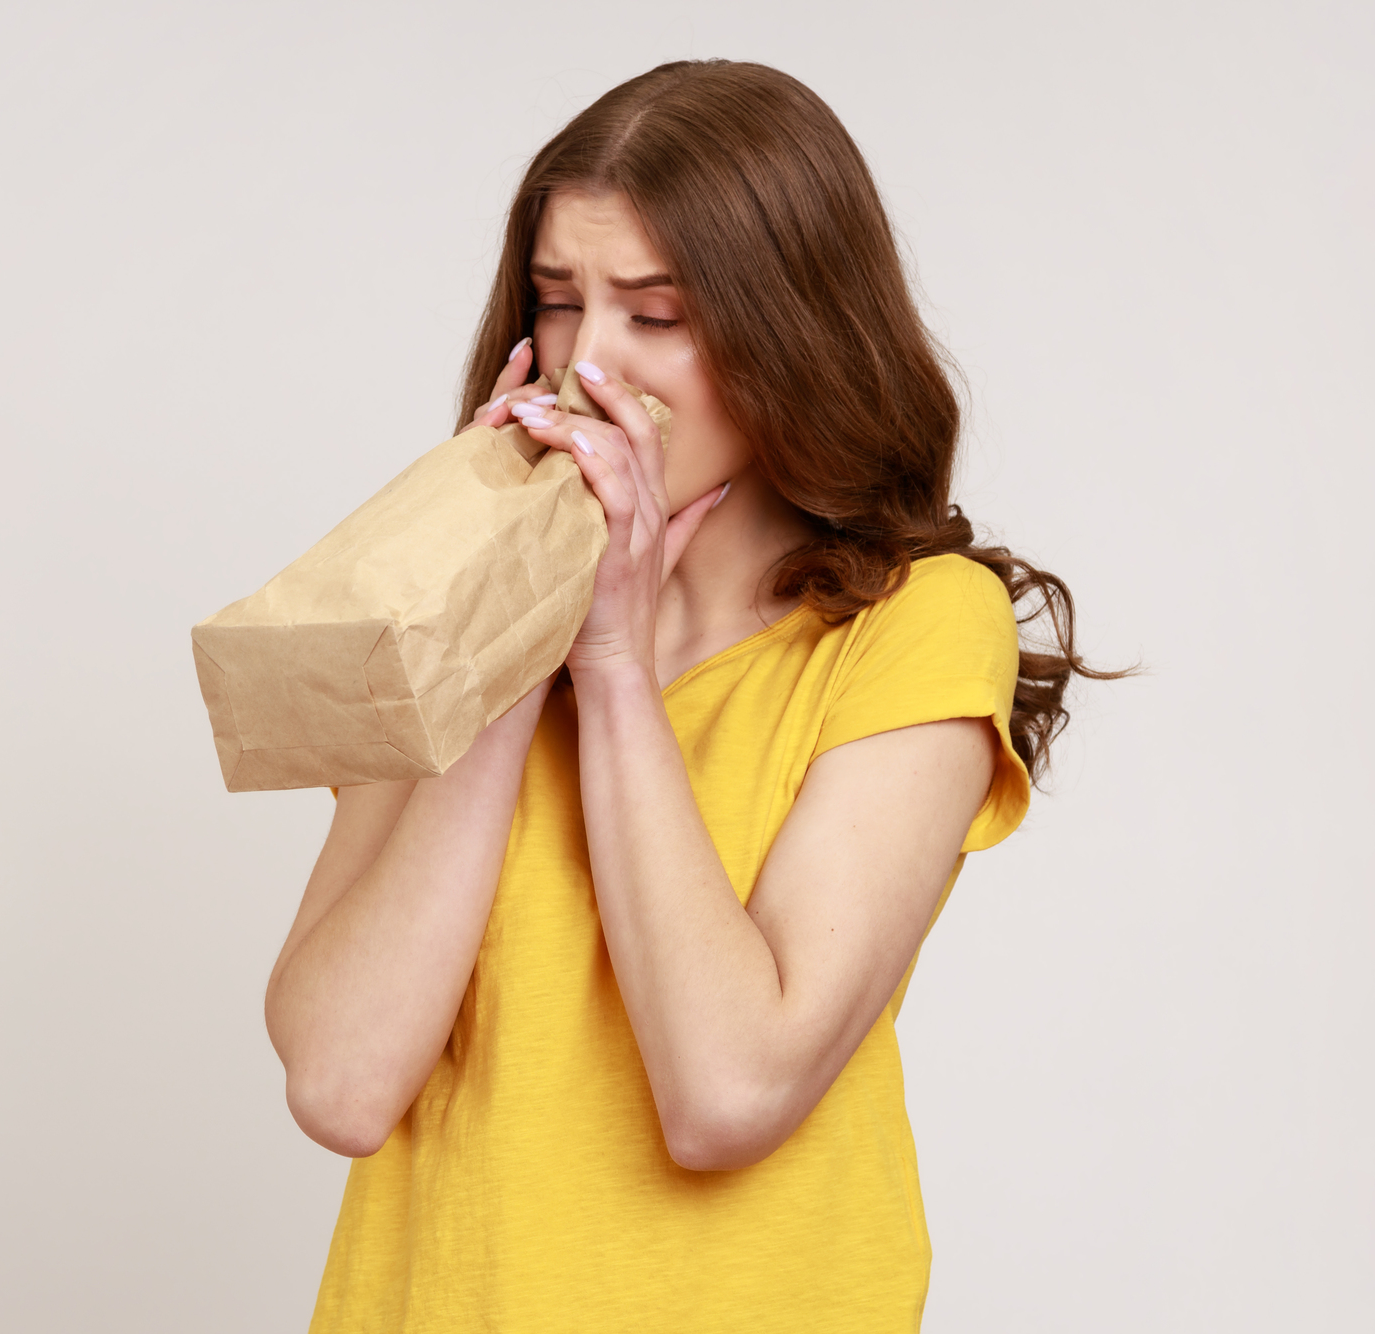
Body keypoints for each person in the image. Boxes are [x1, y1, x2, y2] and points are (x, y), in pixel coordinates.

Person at [264, 59, 1111, 1333]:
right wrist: (510, 637)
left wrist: (607, 669)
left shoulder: (916, 626)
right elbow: (338, 1080)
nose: (587, 364)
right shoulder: (450, 612)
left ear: (790, 336)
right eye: (558, 303)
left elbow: (727, 1092)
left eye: (654, 316)